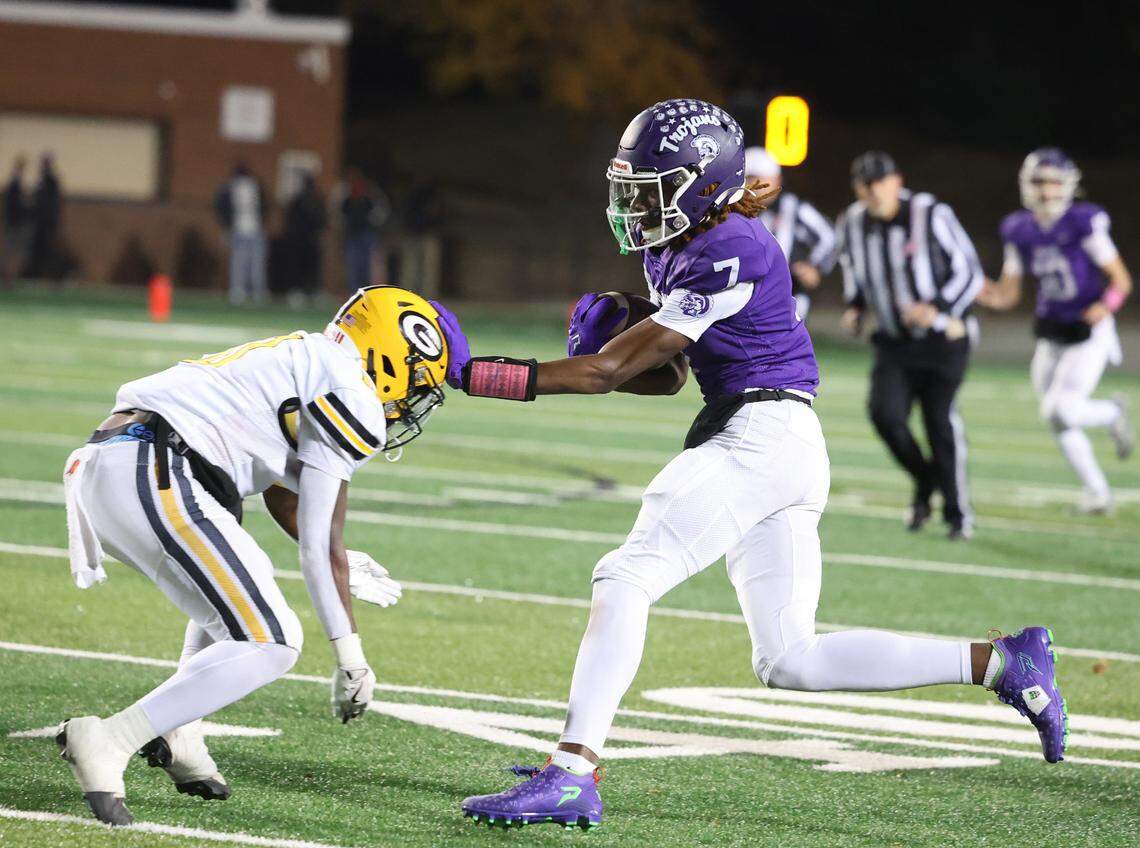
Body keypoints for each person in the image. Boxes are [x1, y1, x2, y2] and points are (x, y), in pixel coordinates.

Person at [431, 99, 1067, 831]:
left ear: (702, 184)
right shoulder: (686, 239)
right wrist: (632, 317)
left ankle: (572, 771)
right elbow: (666, 374)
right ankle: (1001, 663)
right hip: (783, 441)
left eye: (648, 186)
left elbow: (608, 373)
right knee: (790, 659)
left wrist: (476, 373)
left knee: (625, 575)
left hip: (758, 437)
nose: (632, 203)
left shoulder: (730, 245)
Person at [57, 286, 451, 826]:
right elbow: (317, 544)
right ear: (393, 353)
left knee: (241, 598)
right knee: (273, 641)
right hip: (156, 470)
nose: (407, 402)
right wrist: (351, 657)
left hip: (133, 464)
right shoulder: (350, 391)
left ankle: (180, 729)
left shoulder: (312, 359)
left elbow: (284, 496)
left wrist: (343, 557)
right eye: (416, 383)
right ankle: (110, 737)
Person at [977, 148, 1134, 513]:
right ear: (1027, 185)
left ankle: (1112, 411)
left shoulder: (1083, 222)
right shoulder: (1019, 228)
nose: (1046, 191)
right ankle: (1098, 493)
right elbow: (1010, 292)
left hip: (1086, 329)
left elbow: (1121, 280)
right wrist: (981, 292)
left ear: (1067, 185)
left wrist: (1105, 305)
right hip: (1050, 332)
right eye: (1039, 182)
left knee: (1060, 410)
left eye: (1052, 182)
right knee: (1058, 418)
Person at [837, 151, 982, 539]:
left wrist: (937, 308)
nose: (873, 191)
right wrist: (855, 306)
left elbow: (969, 270)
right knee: (884, 414)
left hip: (942, 338)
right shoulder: (852, 221)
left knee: (940, 423)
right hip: (894, 343)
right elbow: (855, 268)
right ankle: (925, 481)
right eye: (865, 184)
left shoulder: (929, 212)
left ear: (896, 181)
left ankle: (957, 513)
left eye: (879, 182)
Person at [744, 146, 836, 320]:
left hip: (788, 296)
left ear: (777, 179)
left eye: (759, 178)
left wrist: (815, 266)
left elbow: (829, 237)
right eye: (749, 178)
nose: (753, 185)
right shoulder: (735, 211)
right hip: (745, 297)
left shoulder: (793, 208)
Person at [213, 163, 268, 305]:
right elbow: (222, 206)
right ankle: (245, 291)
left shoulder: (248, 186)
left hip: (249, 229)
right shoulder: (235, 187)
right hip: (243, 229)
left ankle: (247, 291)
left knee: (244, 263)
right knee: (248, 263)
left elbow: (220, 206)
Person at [340, 168, 390, 292]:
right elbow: (340, 213)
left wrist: (373, 223)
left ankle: (367, 292)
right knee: (353, 266)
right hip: (352, 235)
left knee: (368, 266)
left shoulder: (370, 194)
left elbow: (381, 211)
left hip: (368, 234)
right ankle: (354, 293)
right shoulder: (347, 195)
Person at [282, 173, 327, 308]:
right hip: (299, 240)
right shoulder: (298, 201)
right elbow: (290, 220)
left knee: (313, 268)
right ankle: (297, 291)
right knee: (298, 266)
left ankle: (313, 292)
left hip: (312, 240)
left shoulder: (317, 200)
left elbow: (322, 219)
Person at [23, 153, 62, 280]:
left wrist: (52, 219)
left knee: (48, 250)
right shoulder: (41, 181)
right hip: (39, 222)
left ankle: (50, 275)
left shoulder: (51, 181)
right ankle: (35, 274)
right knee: (36, 249)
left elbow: (53, 202)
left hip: (47, 222)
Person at [2, 155, 29, 283]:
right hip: (14, 224)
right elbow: (12, 205)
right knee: (11, 251)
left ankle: (10, 277)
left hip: (15, 223)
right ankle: (8, 277)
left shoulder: (16, 184)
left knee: (13, 252)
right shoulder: (14, 184)